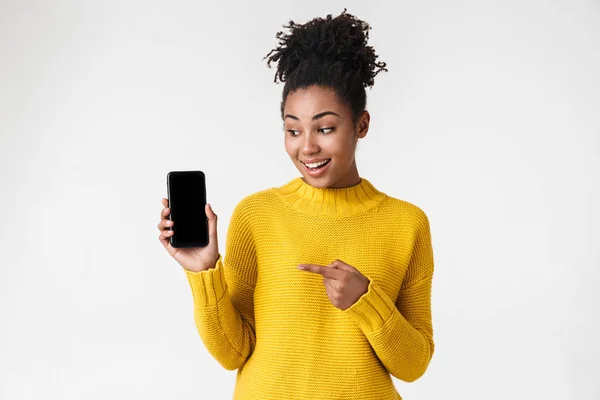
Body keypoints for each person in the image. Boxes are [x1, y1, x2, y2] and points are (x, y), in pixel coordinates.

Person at [157, 8, 435, 399]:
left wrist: (366, 302)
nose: (307, 147)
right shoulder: (257, 215)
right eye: (292, 129)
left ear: (361, 125)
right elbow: (233, 352)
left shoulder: (407, 223)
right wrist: (205, 274)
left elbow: (414, 365)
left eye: (325, 128)